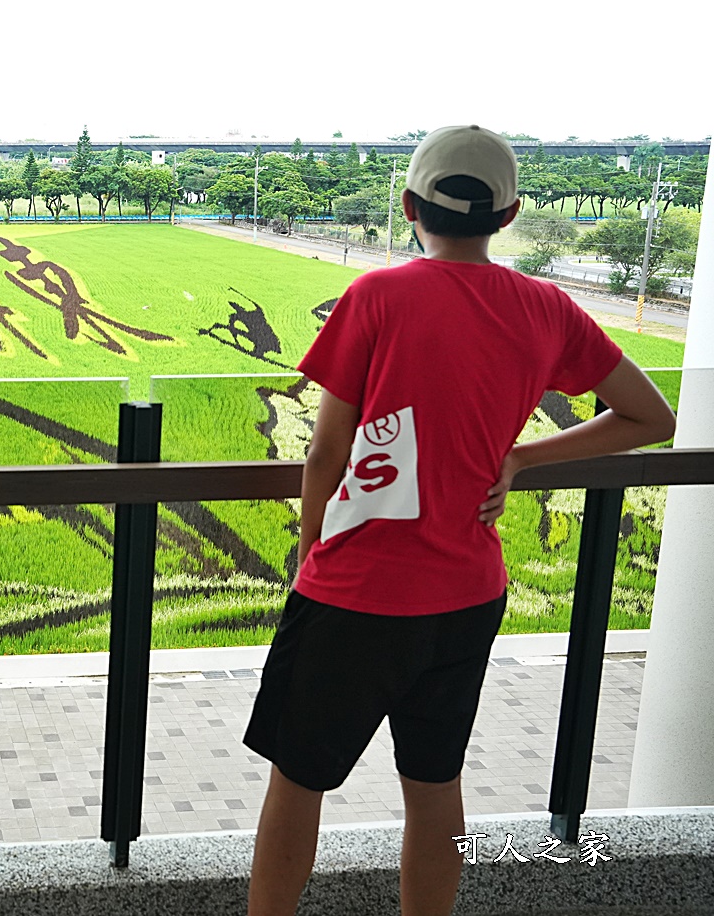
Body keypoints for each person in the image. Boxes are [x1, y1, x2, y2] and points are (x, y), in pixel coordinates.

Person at [243, 125, 676, 916]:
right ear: (508, 216)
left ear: (409, 205)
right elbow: (650, 414)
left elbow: (325, 453)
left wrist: (310, 552)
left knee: (298, 779)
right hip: (468, 594)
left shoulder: (378, 296)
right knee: (435, 783)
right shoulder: (546, 306)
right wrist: (519, 460)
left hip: (356, 591)